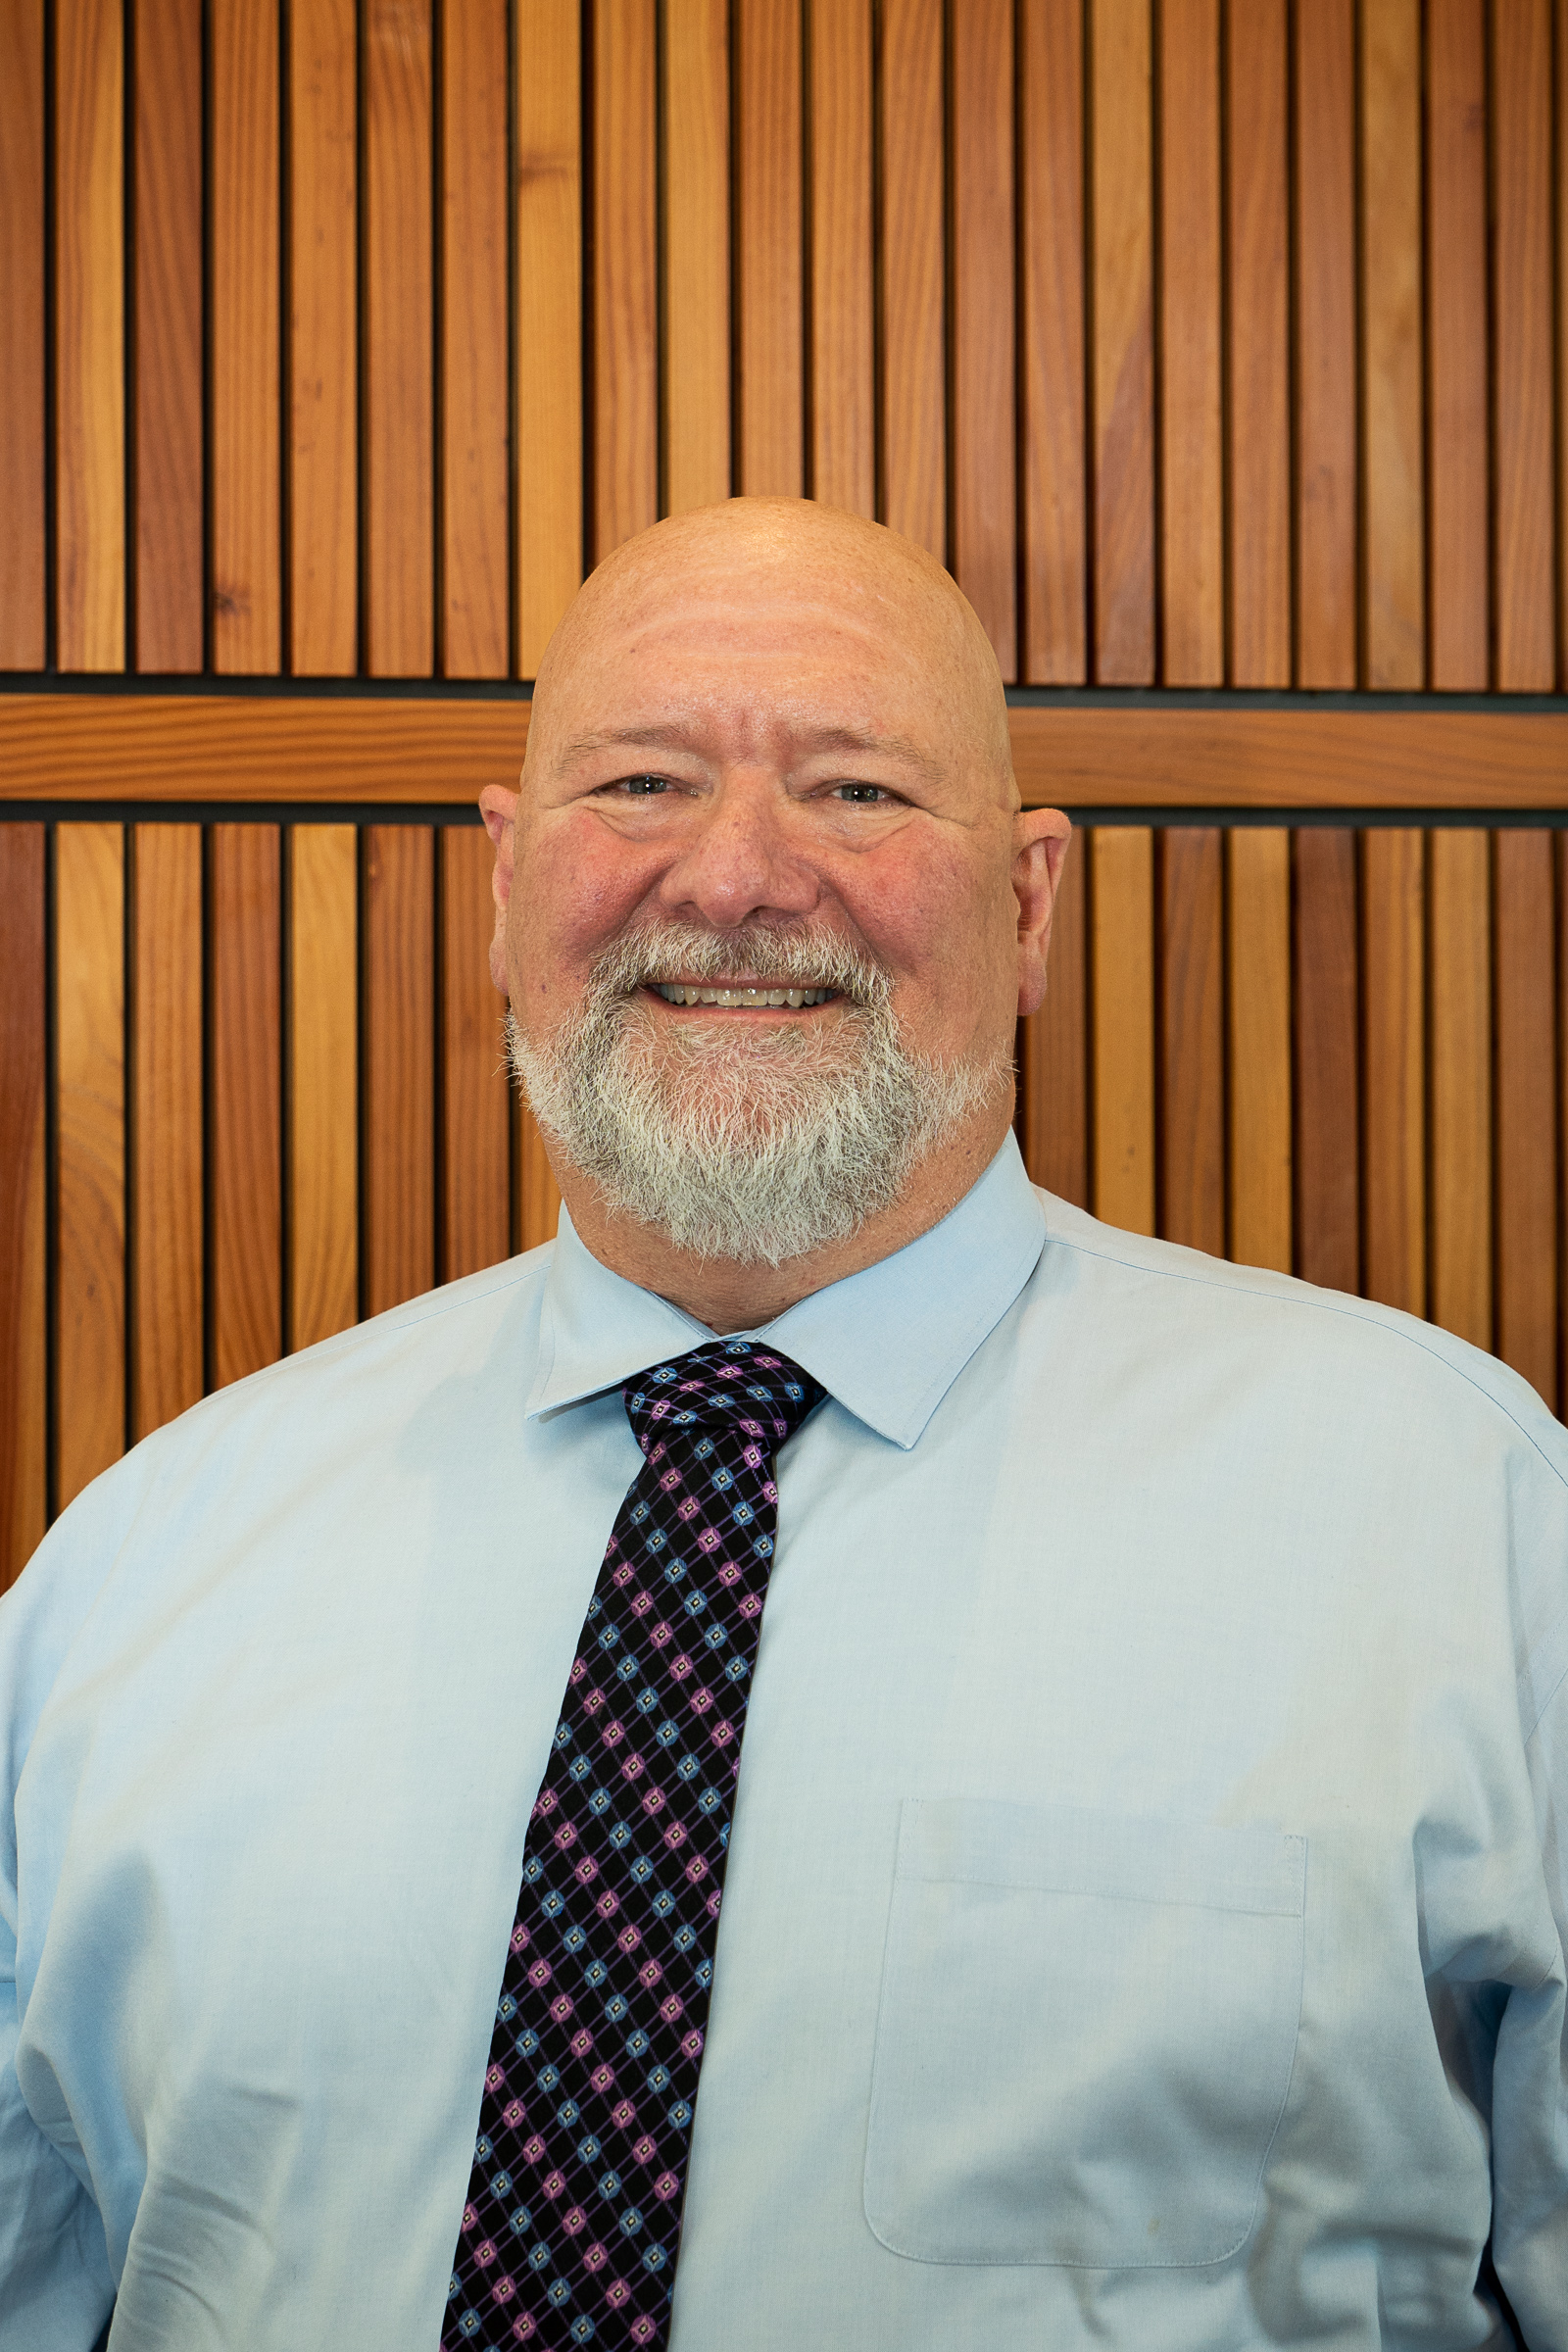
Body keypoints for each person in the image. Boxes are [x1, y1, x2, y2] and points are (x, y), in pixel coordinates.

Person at [1, 498, 1564, 2352]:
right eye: (645, 783)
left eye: (856, 791)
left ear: (1032, 899)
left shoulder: (1464, 1526)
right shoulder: (139, 1573)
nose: (737, 881)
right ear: (506, 886)